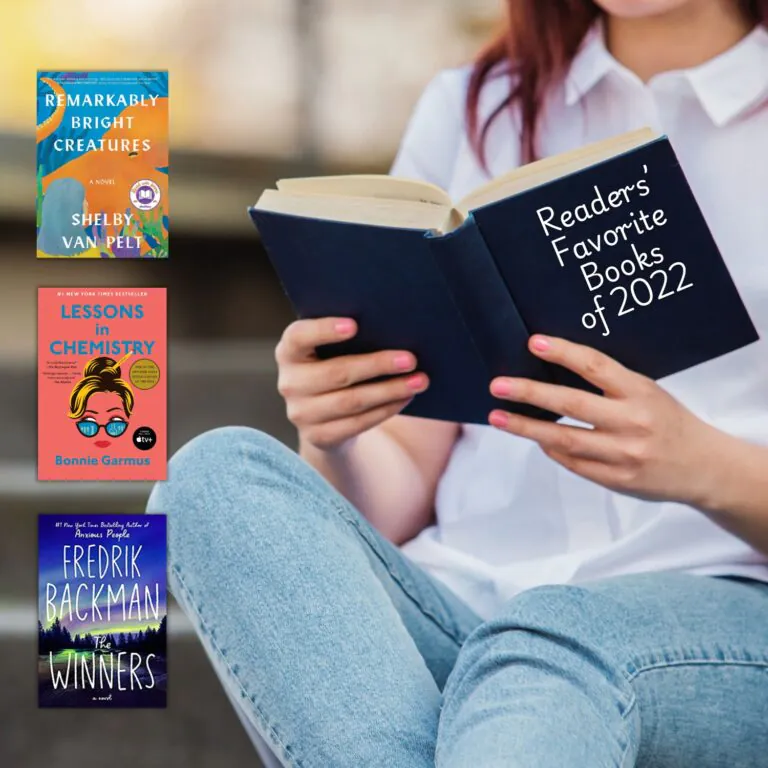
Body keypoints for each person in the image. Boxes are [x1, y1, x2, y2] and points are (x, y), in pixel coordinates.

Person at [148, 1, 768, 765]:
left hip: (719, 623)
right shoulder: (477, 107)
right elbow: (403, 478)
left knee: (551, 644)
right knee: (209, 481)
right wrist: (335, 430)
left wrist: (704, 465)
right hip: (460, 604)